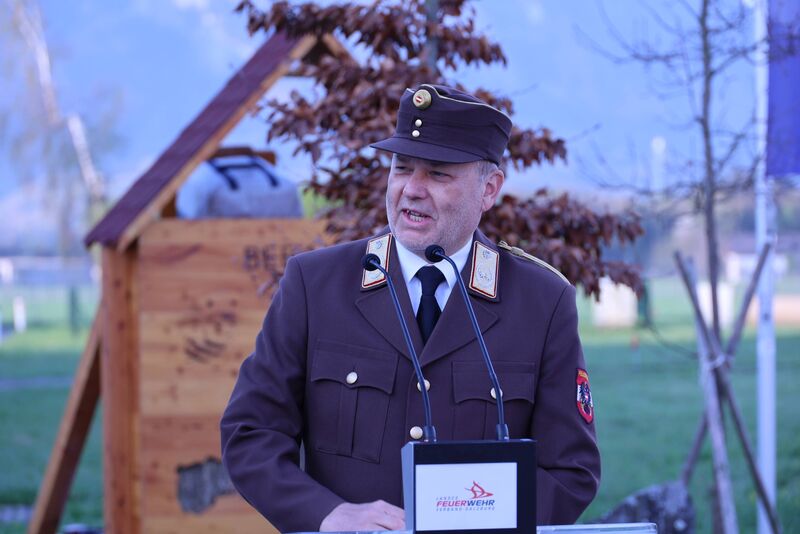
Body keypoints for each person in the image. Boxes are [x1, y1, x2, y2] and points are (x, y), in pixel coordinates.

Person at [220, 84, 600, 533]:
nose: (412, 190)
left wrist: (483, 523)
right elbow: (252, 434)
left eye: (438, 174)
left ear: (489, 189)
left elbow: (571, 470)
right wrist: (325, 514)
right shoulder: (315, 284)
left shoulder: (542, 301)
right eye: (402, 168)